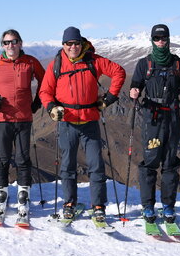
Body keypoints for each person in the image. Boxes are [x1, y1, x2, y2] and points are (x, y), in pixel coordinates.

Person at [38, 26, 126, 222]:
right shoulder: (57, 65)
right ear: (63, 45)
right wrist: (52, 107)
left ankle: (98, 206)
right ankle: (69, 203)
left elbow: (119, 72)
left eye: (76, 43)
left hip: (90, 121)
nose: (73, 47)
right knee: (67, 166)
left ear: (82, 43)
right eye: (69, 44)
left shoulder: (93, 61)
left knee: (96, 165)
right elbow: (44, 91)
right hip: (67, 122)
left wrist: (110, 97)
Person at [128, 24, 180, 223]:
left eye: (163, 38)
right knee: (150, 160)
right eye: (157, 38)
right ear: (152, 40)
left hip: (172, 116)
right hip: (152, 117)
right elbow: (136, 84)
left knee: (169, 161)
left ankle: (168, 206)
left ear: (168, 39)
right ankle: (148, 206)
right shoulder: (144, 64)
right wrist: (134, 91)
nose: (160, 42)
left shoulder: (178, 64)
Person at [0, 29, 45, 217]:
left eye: (14, 41)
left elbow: (45, 82)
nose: (10, 45)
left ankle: (23, 193)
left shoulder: (31, 62)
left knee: (22, 158)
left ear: (20, 43)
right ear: (2, 45)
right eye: (6, 42)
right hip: (3, 118)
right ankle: (1, 192)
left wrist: (38, 101)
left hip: (24, 117)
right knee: (2, 157)